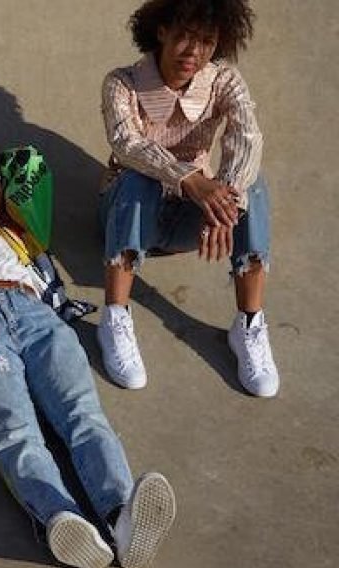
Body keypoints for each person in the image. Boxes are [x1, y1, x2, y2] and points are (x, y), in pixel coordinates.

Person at [0, 145, 175, 568]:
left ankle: (121, 516)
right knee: (13, 430)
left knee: (83, 415)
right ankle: (58, 519)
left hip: (33, 311)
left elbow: (32, 162)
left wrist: (1, 174)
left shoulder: (20, 227)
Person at [98, 0, 277, 397]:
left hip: (192, 221)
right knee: (138, 179)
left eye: (206, 42)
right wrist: (191, 180)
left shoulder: (224, 81)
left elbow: (247, 138)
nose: (193, 52)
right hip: (126, 216)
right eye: (184, 37)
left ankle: (249, 324)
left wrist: (227, 202)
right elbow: (128, 144)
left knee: (253, 185)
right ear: (161, 30)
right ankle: (115, 316)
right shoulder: (122, 83)